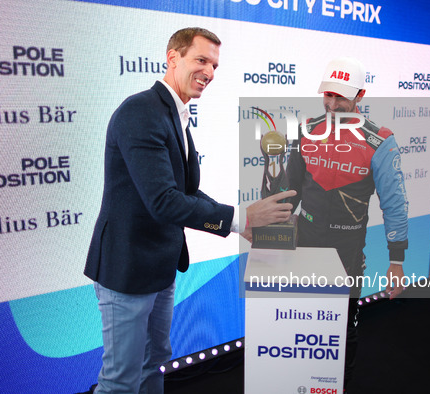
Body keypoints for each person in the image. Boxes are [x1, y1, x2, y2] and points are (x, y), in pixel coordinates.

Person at [83, 27, 295, 394]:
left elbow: (187, 191)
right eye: (201, 60)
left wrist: (241, 224)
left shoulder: (175, 114)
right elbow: (164, 201)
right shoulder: (141, 111)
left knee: (153, 363)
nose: (210, 72)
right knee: (119, 381)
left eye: (214, 65)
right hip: (127, 270)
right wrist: (239, 220)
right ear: (173, 58)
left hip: (160, 267)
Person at [285, 57, 409, 389]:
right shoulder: (306, 130)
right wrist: (271, 238)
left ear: (360, 95)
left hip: (346, 255)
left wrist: (396, 261)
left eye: (341, 97)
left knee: (342, 330)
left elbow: (394, 203)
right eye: (328, 94)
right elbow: (289, 192)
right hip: (303, 246)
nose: (333, 103)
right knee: (300, 325)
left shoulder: (380, 140)